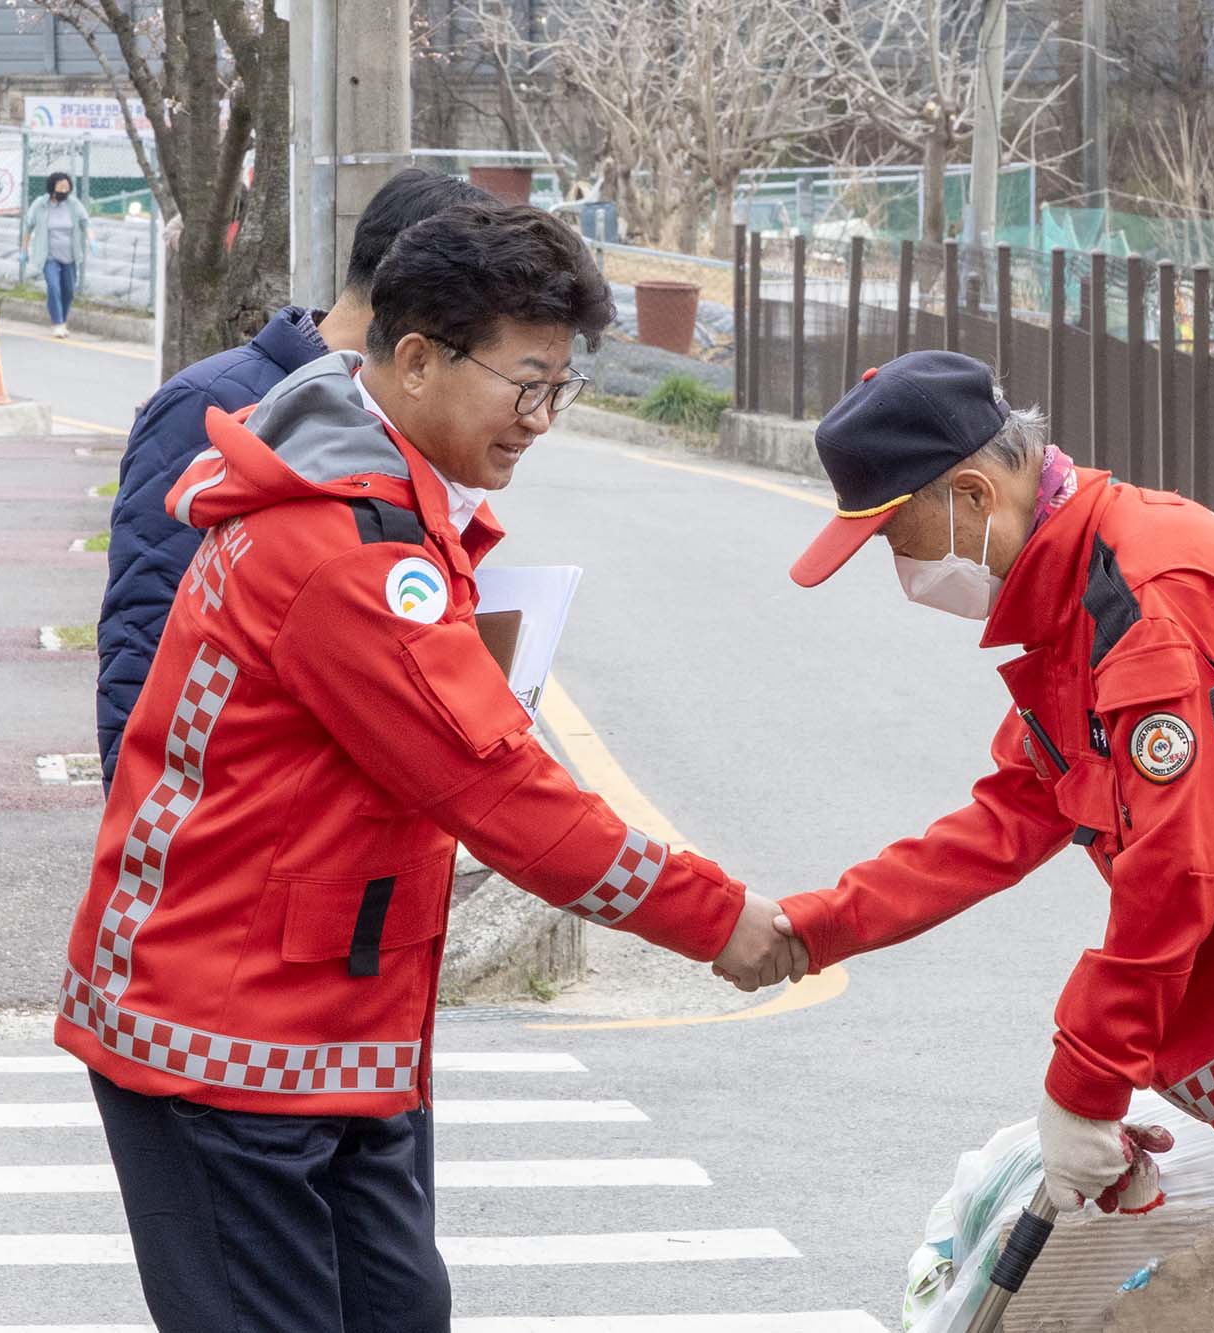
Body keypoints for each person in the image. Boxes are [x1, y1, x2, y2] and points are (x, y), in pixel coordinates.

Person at [56, 200, 796, 1332]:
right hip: (223, 1038)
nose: (543, 419)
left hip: (328, 1019)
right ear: (414, 360)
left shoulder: (387, 504)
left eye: (561, 388)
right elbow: (499, 788)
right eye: (527, 383)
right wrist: (718, 918)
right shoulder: (343, 549)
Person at [770, 350, 1214, 1330]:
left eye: (893, 535)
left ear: (968, 492)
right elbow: (1003, 819)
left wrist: (1085, 1084)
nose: (897, 567)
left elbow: (1179, 868)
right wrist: (806, 929)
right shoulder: (1080, 597)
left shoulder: (1145, 600)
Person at [95, 167, 496, 790]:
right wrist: (140, 806)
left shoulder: (401, 415)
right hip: (220, 816)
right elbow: (146, 622)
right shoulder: (210, 401)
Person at [20, 171, 91, 337]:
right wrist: (24, 250)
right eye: (61, 188)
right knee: (53, 287)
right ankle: (57, 323)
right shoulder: (40, 204)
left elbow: (85, 223)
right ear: (52, 188)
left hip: (70, 256)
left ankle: (62, 321)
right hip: (49, 256)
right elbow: (28, 227)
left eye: (67, 188)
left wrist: (91, 239)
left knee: (68, 290)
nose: (64, 192)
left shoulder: (73, 204)